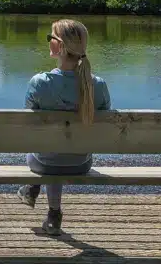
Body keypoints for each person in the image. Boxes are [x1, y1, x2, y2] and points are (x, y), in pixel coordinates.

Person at [16, 19, 111, 235]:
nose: (48, 42)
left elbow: (26, 126)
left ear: (59, 46)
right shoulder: (98, 85)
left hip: (44, 162)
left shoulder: (40, 83)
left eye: (50, 38)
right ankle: (52, 214)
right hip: (81, 162)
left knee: (46, 153)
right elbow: (103, 125)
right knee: (59, 150)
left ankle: (36, 192)